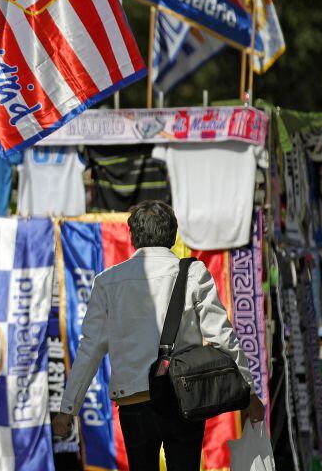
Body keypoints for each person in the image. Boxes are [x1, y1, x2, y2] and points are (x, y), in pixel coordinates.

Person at [51, 200, 265, 471]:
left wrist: (68, 408)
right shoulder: (193, 273)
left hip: (133, 401)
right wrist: (250, 393)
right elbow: (223, 337)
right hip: (183, 396)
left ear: (133, 237)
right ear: (173, 235)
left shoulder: (107, 281)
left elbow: (90, 349)